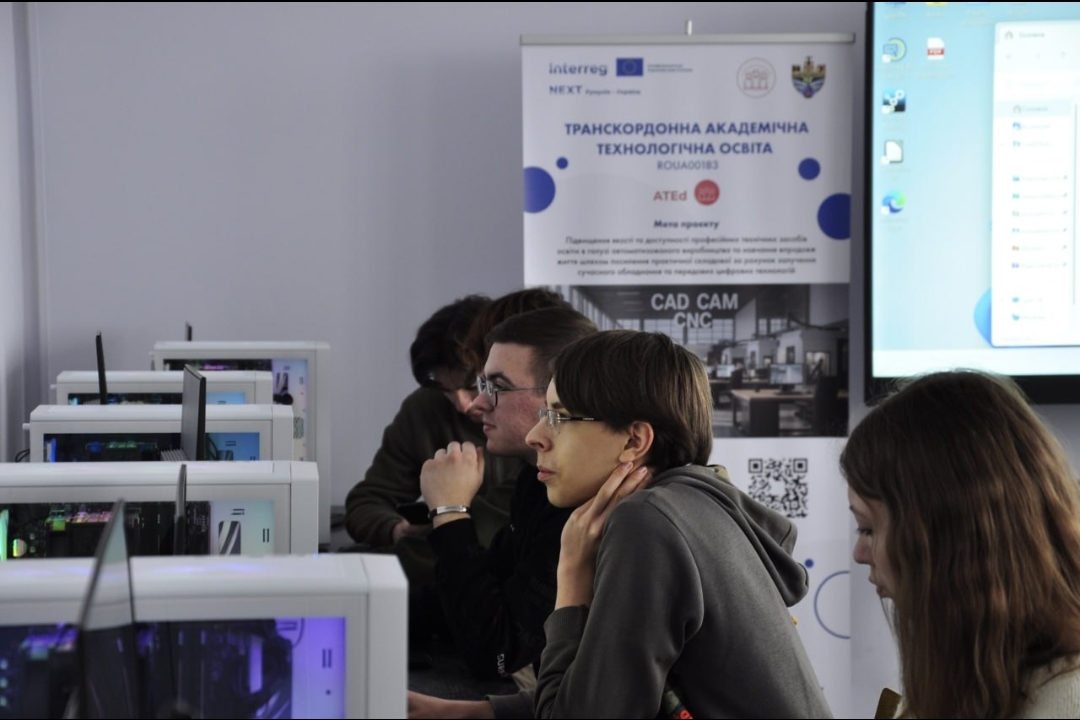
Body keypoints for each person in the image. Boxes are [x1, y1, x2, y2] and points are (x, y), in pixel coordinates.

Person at [410, 330, 831, 718]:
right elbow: (608, 683)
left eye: (558, 417)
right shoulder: (688, 504)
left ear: (633, 441)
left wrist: (571, 578)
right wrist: (467, 713)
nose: (536, 435)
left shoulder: (647, 522)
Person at [841, 370, 1080, 719]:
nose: (860, 554)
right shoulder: (958, 682)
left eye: (868, 529)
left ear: (947, 536)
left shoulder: (1067, 703)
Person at [419, 305, 598, 685]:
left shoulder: (584, 505)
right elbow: (487, 592)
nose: (478, 403)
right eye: (483, 385)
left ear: (559, 396)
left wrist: (450, 512)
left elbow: (497, 654)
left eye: (497, 387)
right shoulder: (536, 480)